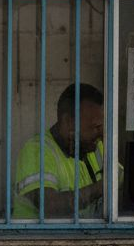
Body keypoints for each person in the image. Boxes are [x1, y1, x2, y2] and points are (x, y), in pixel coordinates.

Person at [12, 83, 108, 220]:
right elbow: (49, 206)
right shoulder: (36, 151)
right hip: (39, 234)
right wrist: (100, 188)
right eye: (96, 127)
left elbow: (121, 179)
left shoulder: (93, 147)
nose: (101, 133)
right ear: (69, 122)